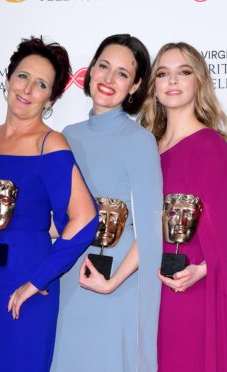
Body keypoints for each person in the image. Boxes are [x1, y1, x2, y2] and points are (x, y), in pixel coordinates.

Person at [0, 36, 98, 372]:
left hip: (25, 296)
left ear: (50, 98)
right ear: (9, 78)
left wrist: (39, 279)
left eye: (41, 84)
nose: (27, 89)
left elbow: (84, 218)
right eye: (23, 76)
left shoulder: (49, 144)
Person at [139, 42, 227, 372]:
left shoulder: (211, 146)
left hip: (191, 289)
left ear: (198, 82)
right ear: (154, 86)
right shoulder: (145, 149)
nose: (173, 81)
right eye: (163, 74)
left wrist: (203, 270)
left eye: (184, 72)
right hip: (147, 290)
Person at [51, 34, 163, 372]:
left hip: (117, 282)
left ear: (135, 86)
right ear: (91, 70)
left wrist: (112, 282)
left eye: (123, 73)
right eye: (104, 66)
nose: (109, 79)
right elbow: (57, 215)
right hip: (70, 275)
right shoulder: (66, 135)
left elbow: (152, 226)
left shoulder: (139, 141)